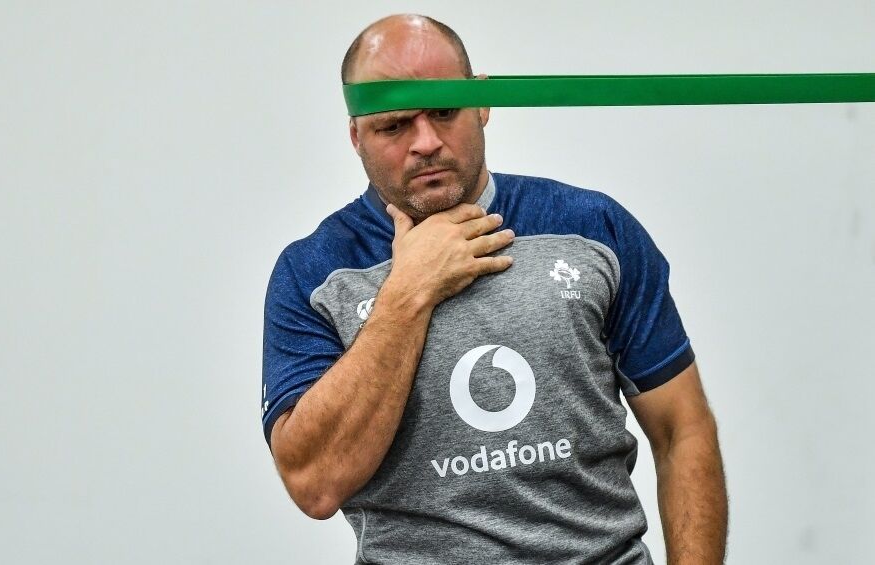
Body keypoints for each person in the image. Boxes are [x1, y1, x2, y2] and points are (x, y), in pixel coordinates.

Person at [261, 13, 728, 564]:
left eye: (444, 111)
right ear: (355, 136)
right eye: (393, 126)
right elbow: (314, 484)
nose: (427, 142)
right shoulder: (313, 272)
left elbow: (681, 429)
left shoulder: (592, 227)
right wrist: (409, 292)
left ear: (483, 102)